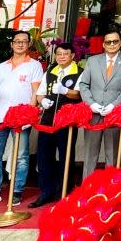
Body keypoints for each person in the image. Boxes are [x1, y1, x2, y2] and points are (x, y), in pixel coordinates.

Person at [0, 31, 43, 207]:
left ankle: (17, 191)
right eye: (17, 41)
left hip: (21, 118)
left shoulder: (34, 65)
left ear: (29, 45)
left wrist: (30, 112)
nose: (20, 44)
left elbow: (36, 91)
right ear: (11, 44)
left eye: (24, 42)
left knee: (21, 156)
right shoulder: (1, 67)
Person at [30, 42, 82, 207]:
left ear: (72, 56)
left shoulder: (79, 72)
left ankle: (65, 193)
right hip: (47, 121)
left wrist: (66, 91)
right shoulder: (50, 72)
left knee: (66, 157)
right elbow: (40, 93)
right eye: (58, 54)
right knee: (44, 157)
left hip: (67, 122)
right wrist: (42, 100)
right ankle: (46, 192)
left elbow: (79, 94)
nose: (61, 57)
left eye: (65, 54)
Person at [79, 29, 121, 179]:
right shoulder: (92, 61)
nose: (112, 44)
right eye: (108, 42)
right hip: (93, 115)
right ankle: (87, 188)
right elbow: (84, 85)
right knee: (90, 154)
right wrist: (91, 104)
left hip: (113, 115)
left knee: (112, 154)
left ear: (120, 43)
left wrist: (114, 105)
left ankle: (111, 189)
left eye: (115, 41)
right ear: (103, 44)